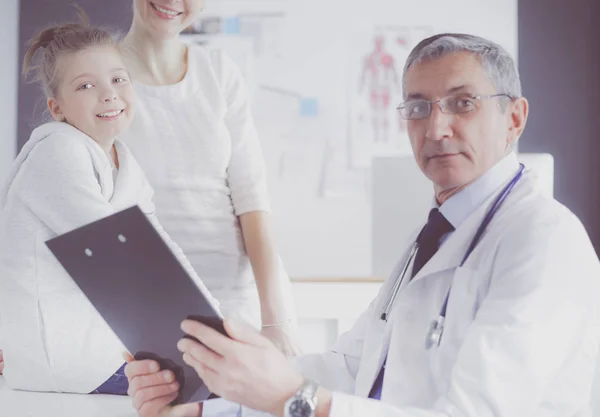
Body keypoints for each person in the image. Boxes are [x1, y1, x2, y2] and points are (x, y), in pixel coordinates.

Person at [125, 33, 600, 417]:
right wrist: (210, 391)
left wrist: (290, 397)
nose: (436, 128)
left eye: (462, 103)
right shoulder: (436, 236)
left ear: (514, 118)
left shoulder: (545, 242)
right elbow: (353, 369)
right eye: (418, 108)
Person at [0, 11, 218, 395]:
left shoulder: (125, 164)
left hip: (103, 350)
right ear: (58, 109)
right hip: (64, 360)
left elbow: (163, 252)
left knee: (229, 387)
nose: (109, 94)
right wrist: (213, 347)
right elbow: (121, 259)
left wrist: (219, 326)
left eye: (119, 79)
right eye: (86, 86)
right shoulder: (58, 151)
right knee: (215, 392)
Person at [117, 0, 299, 355]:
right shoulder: (99, 77)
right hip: (147, 306)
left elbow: (252, 198)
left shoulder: (218, 72)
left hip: (241, 304)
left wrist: (275, 322)